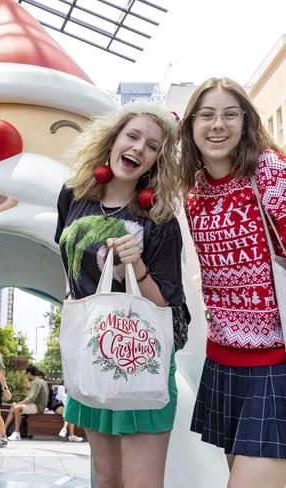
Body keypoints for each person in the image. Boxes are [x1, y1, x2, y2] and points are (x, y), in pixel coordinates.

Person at [55, 101, 183, 487]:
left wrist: (137, 267)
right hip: (95, 353)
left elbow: (166, 305)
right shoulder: (73, 197)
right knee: (106, 479)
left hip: (140, 357)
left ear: (156, 161)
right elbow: (67, 258)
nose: (139, 148)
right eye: (133, 136)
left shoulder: (159, 221)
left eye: (152, 145)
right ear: (112, 140)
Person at [180, 77, 286, 488]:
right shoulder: (193, 194)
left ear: (245, 121)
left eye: (229, 114)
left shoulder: (269, 171)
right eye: (206, 115)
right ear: (191, 126)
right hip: (223, 361)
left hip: (276, 363)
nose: (217, 125)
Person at [2, 364, 48, 441]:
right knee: (13, 407)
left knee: (17, 408)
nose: (26, 376)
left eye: (26, 374)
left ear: (29, 373)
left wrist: (19, 403)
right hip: (38, 406)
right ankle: (2, 431)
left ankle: (17, 433)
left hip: (38, 407)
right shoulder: (41, 381)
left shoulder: (36, 382)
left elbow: (31, 398)